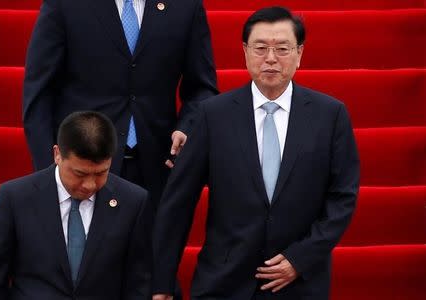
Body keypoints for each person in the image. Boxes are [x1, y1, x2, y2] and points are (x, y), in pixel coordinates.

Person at [152, 6, 360, 300]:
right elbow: (178, 203)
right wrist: (162, 283)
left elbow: (343, 197)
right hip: (224, 282)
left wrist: (300, 258)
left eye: (282, 48)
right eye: (261, 48)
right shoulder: (213, 116)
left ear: (299, 53)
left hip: (299, 283)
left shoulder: (330, 115)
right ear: (245, 52)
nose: (271, 58)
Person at [23, 0, 218, 210]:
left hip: (159, 167)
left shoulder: (186, 6)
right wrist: (49, 173)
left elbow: (202, 87)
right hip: (84, 165)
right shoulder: (65, 4)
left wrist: (187, 128)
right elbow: (39, 93)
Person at [0, 111, 152, 299]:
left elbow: (138, 283)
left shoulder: (132, 201)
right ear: (57, 154)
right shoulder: (15, 198)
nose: (90, 185)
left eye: (101, 173)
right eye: (80, 174)